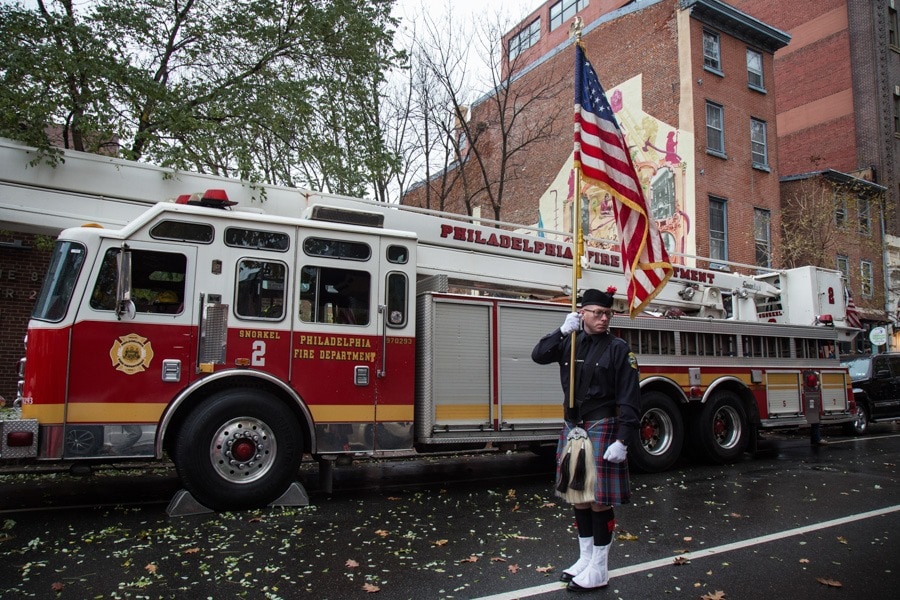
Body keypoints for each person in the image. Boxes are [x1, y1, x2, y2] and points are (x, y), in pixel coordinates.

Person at [532, 287, 641, 592]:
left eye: (607, 314)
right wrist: (561, 330)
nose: (604, 319)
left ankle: (600, 568)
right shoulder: (570, 341)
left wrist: (623, 439)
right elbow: (538, 355)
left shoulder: (619, 349)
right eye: (597, 313)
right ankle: (585, 558)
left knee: (598, 501)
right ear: (582, 314)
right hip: (574, 427)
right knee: (577, 496)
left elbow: (630, 398)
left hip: (602, 424)